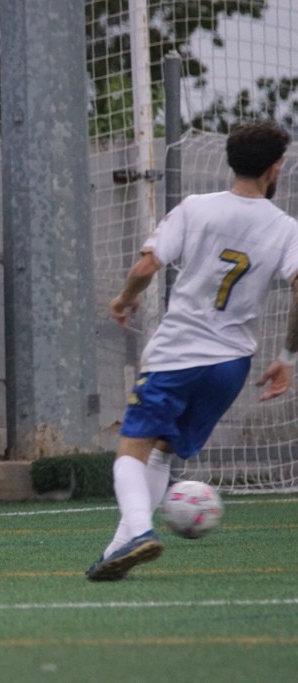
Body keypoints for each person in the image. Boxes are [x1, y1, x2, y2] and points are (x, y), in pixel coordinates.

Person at [87, 119, 298, 581]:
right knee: (162, 452)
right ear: (274, 167)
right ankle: (117, 551)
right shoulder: (286, 228)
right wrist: (287, 358)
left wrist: (123, 299)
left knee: (131, 449)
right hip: (231, 365)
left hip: (178, 354)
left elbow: (146, 267)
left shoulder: (196, 208)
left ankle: (140, 531)